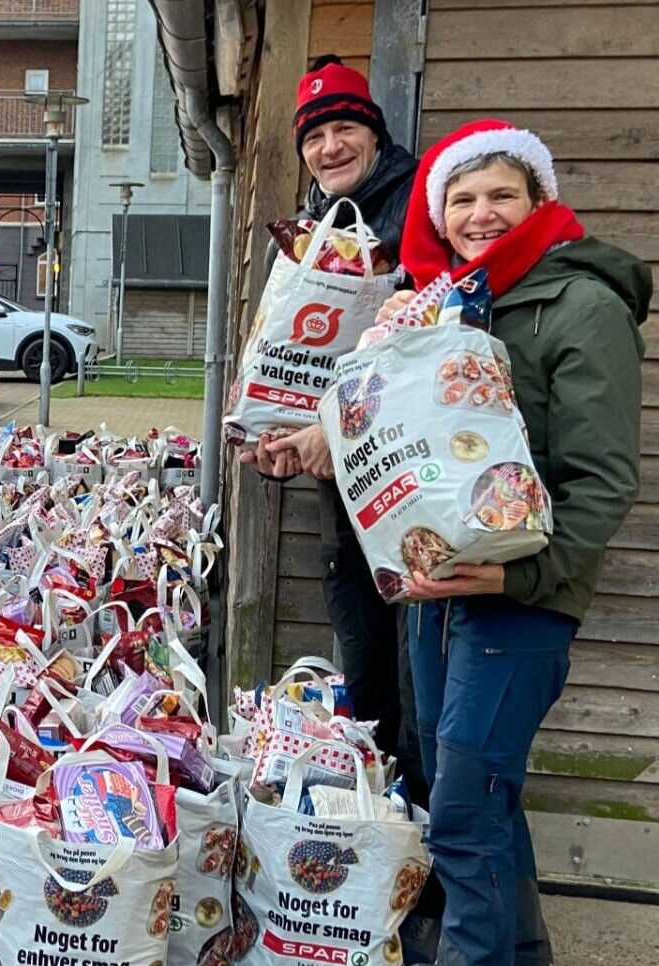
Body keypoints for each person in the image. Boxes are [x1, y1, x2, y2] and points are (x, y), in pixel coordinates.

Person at [376, 120, 648, 966]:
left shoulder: (579, 305)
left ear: (538, 200)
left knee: (463, 804)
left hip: (517, 599)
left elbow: (602, 482)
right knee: (481, 786)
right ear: (439, 215)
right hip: (438, 592)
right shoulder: (448, 304)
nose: (480, 213)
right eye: (462, 198)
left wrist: (512, 576)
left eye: (502, 194)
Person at [242, 53, 421, 769]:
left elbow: (418, 358)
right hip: (341, 483)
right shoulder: (312, 225)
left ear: (374, 134)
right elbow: (290, 352)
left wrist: (334, 429)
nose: (329, 147)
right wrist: (272, 429)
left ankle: (425, 828)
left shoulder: (417, 208)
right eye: (315, 137)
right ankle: (375, 808)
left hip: (407, 480)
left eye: (344, 127)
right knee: (362, 641)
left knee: (420, 659)